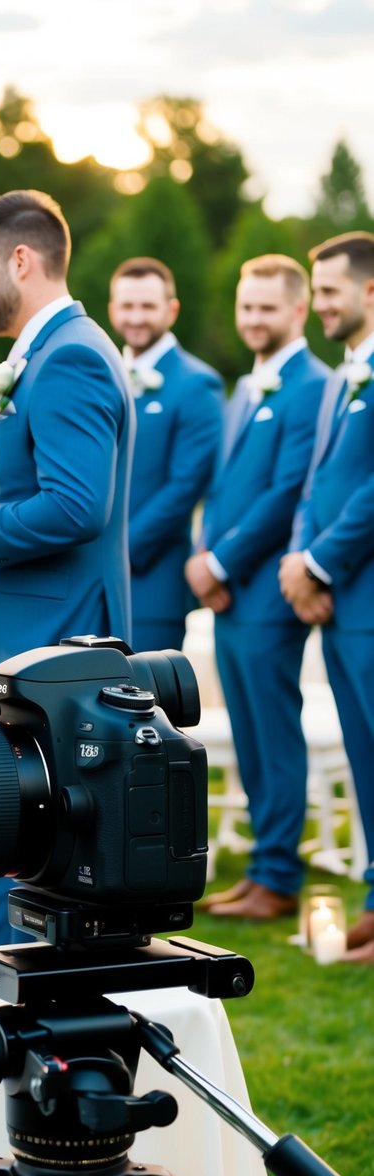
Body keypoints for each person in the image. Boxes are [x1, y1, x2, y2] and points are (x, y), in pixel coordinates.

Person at [0, 189, 134, 949]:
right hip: (22, 643)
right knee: (7, 841)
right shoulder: (42, 352)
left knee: (19, 842)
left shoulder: (70, 354)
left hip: (49, 651)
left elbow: (79, 507)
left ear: (22, 259)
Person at [186, 254, 330, 920]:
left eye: (266, 308)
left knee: (273, 731)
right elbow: (221, 488)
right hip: (230, 591)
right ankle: (259, 870)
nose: (253, 319)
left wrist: (220, 563)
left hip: (268, 589)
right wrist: (204, 555)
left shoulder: (312, 385)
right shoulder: (246, 387)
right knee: (246, 731)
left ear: (297, 310)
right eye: (245, 307)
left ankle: (277, 878)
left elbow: (286, 491)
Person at [278, 232, 374, 959]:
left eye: (331, 291)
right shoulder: (348, 375)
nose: (319, 306)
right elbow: (319, 480)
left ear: (369, 291)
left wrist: (319, 560)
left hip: (365, 596)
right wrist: (299, 558)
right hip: (343, 605)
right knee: (362, 753)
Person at [108, 257, 223, 651]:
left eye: (147, 306)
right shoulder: (102, 377)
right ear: (112, 310)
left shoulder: (198, 383)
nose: (136, 317)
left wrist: (120, 550)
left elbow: (186, 485)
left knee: (145, 704)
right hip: (90, 581)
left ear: (171, 310)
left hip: (152, 581)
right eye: (127, 306)